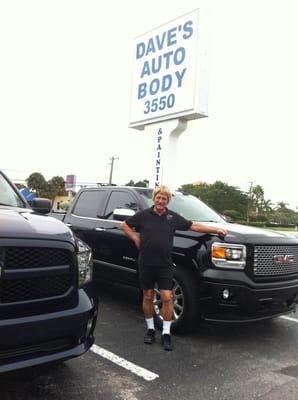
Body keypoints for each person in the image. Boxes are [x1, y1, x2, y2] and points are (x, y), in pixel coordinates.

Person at [120, 185, 227, 351]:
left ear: (167, 201)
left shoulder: (173, 217)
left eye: (164, 198)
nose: (160, 200)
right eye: (158, 197)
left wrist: (217, 229)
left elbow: (194, 226)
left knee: (167, 297)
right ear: (154, 199)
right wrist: (135, 238)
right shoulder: (143, 215)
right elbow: (124, 225)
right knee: (148, 295)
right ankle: (150, 329)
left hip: (164, 264)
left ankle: (166, 332)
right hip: (146, 263)